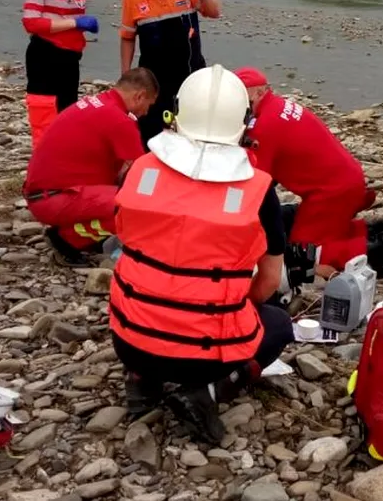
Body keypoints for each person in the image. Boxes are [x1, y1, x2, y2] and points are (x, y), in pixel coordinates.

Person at [108, 64, 294, 445]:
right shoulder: (259, 192)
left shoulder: (141, 170)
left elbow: (123, 241)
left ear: (176, 113)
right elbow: (271, 280)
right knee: (277, 324)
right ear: (243, 122)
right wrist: (231, 304)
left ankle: (141, 381)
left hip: (129, 339)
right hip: (206, 353)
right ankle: (206, 392)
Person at [232, 66, 383, 291]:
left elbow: (255, 183)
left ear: (256, 93)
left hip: (330, 192)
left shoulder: (262, 127)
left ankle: (373, 247)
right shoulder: (277, 106)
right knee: (302, 226)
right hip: (343, 181)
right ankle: (368, 230)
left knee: (302, 255)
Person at [23, 68, 158, 264]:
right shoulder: (120, 120)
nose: (146, 112)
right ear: (140, 96)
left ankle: (83, 232)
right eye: (148, 105)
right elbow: (144, 177)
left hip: (43, 193)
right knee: (133, 206)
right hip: (53, 199)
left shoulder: (98, 103)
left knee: (123, 192)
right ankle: (67, 240)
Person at [118, 0, 223, 147]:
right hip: (153, 80)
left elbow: (214, 12)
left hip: (190, 74)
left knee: (191, 131)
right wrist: (126, 75)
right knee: (152, 134)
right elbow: (127, 38)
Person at [22, 0, 102, 149]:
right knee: (44, 113)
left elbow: (68, 6)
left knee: (68, 112)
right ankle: (43, 165)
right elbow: (32, 22)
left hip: (70, 53)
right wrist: (75, 23)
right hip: (46, 52)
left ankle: (64, 161)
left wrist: (80, 24)